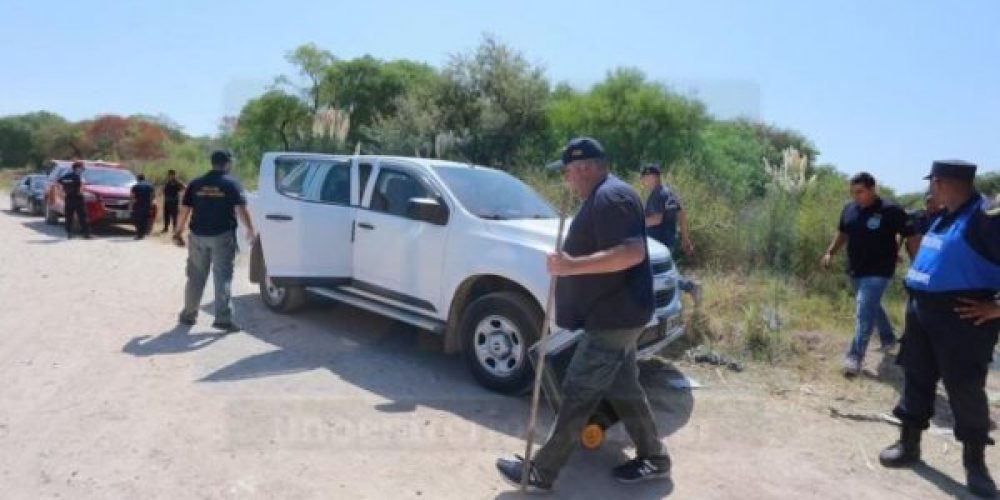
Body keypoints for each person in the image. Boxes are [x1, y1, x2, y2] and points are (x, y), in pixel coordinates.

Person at [496, 137, 670, 493]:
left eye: (569, 173)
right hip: (615, 314)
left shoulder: (611, 197)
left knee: (578, 389)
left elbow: (631, 253)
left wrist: (571, 266)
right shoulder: (604, 196)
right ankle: (655, 456)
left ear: (586, 167)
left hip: (615, 316)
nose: (567, 181)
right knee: (624, 389)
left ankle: (542, 472)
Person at [879, 160, 1000, 498]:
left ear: (943, 182)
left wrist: (997, 308)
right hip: (922, 313)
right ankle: (909, 445)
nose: (929, 189)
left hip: (962, 318)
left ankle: (976, 467)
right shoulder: (947, 215)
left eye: (932, 182)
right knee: (916, 378)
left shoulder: (986, 217)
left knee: (964, 389)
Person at [821, 172, 918, 375]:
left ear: (872, 190)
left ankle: (854, 357)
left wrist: (916, 263)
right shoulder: (849, 209)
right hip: (856, 268)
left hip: (879, 270)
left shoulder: (890, 210)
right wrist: (830, 252)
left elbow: (910, 235)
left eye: (860, 192)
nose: (856, 196)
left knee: (863, 310)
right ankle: (888, 338)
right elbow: (842, 232)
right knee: (870, 306)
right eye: (853, 192)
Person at [174, 151, 256, 333]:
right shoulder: (231, 183)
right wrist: (250, 229)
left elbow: (184, 210)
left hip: (197, 236)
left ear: (213, 163)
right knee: (222, 277)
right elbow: (242, 209)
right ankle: (223, 320)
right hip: (222, 237)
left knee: (195, 276)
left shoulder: (196, 183)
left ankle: (188, 315)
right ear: (227, 163)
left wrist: (178, 231)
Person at [638, 164, 701, 304]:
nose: (642, 181)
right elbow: (681, 214)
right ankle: (679, 295)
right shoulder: (668, 193)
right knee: (666, 272)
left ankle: (690, 287)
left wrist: (636, 223)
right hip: (668, 238)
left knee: (661, 274)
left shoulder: (657, 195)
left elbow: (656, 219)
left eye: (644, 177)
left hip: (658, 241)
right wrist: (685, 238)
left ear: (653, 177)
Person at [58, 161, 90, 239]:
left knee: (82, 216)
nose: (83, 169)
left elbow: (60, 182)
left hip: (77, 198)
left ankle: (85, 234)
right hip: (72, 198)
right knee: (71, 217)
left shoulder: (78, 176)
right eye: (82, 168)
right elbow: (60, 181)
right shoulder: (72, 176)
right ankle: (71, 233)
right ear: (77, 168)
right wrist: (63, 192)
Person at [130, 173, 154, 239]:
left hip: (138, 205)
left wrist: (131, 206)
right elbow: (152, 196)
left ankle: (139, 234)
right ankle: (143, 234)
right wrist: (151, 204)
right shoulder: (150, 186)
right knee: (145, 219)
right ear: (144, 178)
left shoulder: (135, 186)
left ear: (137, 179)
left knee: (138, 220)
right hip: (147, 205)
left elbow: (132, 197)